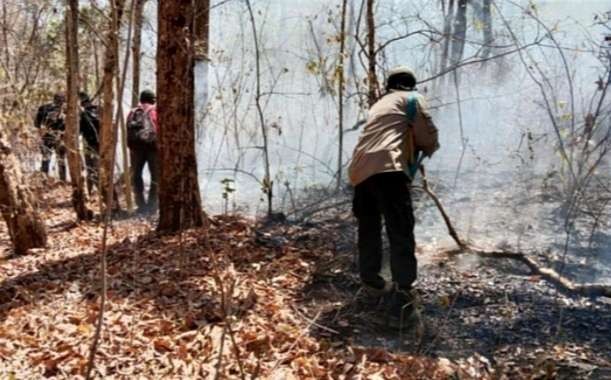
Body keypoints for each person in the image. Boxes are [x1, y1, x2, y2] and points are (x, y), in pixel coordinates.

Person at [348, 66, 440, 328]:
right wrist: (430, 146)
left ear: (390, 85)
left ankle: (371, 281)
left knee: (369, 227)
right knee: (400, 230)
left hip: (360, 171)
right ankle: (403, 300)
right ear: (410, 85)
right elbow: (426, 134)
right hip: (388, 169)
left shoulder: (380, 104)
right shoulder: (412, 98)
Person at [127, 90, 159, 214]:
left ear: (140, 100)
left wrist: (131, 148)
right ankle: (152, 206)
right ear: (152, 100)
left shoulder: (132, 112)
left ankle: (141, 205)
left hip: (136, 149)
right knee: (155, 177)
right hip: (153, 148)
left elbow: (128, 132)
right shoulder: (155, 111)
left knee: (136, 176)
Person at [34, 93, 66, 180]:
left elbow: (37, 125)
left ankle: (47, 179)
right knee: (58, 159)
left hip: (53, 136)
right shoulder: (45, 108)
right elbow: (37, 125)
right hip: (57, 137)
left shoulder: (44, 108)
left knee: (51, 159)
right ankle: (56, 180)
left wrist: (41, 135)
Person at [78, 92, 101, 195]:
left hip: (89, 143)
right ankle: (98, 190)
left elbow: (79, 131)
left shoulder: (82, 114)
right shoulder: (98, 109)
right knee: (98, 167)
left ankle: (91, 191)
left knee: (90, 167)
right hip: (102, 143)